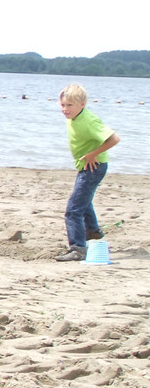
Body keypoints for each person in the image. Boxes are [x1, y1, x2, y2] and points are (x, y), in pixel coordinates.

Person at [55, 83, 120, 262]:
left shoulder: (89, 120)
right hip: (85, 166)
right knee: (83, 201)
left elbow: (114, 139)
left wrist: (93, 154)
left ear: (82, 104)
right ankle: (92, 230)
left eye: (69, 105)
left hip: (94, 166)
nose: (65, 109)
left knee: (73, 210)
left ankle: (78, 248)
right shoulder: (73, 117)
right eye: (63, 105)